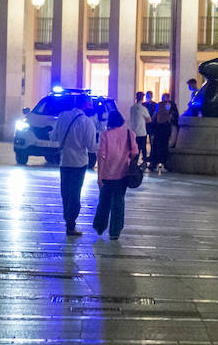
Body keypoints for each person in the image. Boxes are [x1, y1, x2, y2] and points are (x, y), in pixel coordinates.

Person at [52, 98, 98, 237]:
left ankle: (68, 220)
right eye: (89, 104)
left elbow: (54, 137)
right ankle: (71, 224)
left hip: (65, 161)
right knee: (75, 193)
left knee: (65, 193)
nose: (91, 106)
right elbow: (91, 146)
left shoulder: (62, 116)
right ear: (85, 105)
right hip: (79, 163)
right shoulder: (87, 122)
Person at [93, 110, 138, 240]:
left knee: (104, 202)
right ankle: (115, 231)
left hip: (107, 174)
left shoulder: (105, 135)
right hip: (123, 174)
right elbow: (134, 152)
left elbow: (101, 156)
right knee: (118, 202)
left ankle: (100, 226)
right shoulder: (130, 134)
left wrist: (99, 176)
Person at [148, 92, 177, 174]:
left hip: (160, 128)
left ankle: (155, 164)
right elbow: (172, 117)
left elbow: (155, 116)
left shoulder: (159, 105)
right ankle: (162, 164)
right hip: (165, 128)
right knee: (163, 147)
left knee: (157, 146)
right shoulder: (170, 105)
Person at [129, 92, 149, 164]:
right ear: (142, 98)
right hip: (142, 131)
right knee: (143, 148)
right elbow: (149, 119)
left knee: (135, 148)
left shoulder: (132, 108)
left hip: (134, 131)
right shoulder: (143, 108)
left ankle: (134, 162)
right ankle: (144, 162)